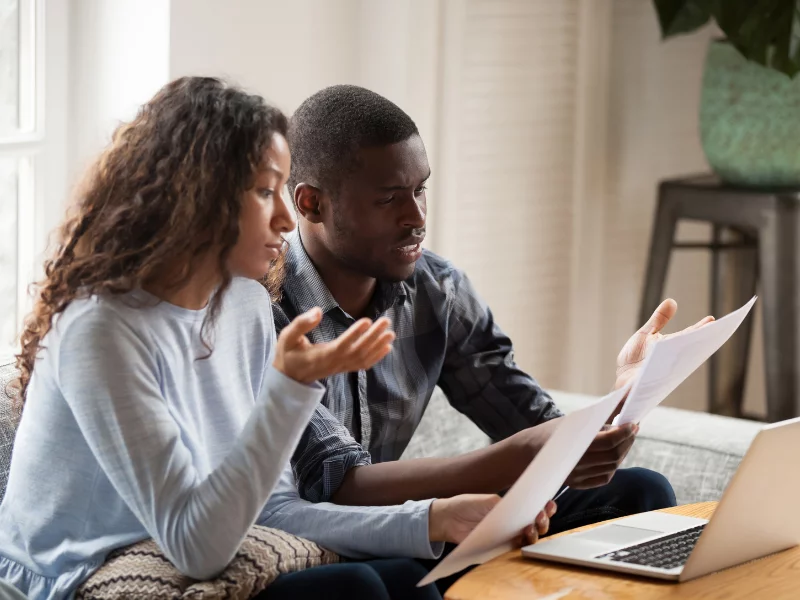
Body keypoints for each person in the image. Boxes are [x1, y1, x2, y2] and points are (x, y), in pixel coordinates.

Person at [0, 76, 467, 600]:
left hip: (188, 547)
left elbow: (273, 511)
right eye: (266, 192)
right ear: (198, 197)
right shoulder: (100, 331)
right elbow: (195, 546)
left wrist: (432, 518)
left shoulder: (243, 304)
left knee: (410, 575)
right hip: (71, 577)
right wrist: (288, 388)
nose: (288, 219)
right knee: (353, 589)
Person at [264, 84, 713, 591]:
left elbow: (535, 425)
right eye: (389, 198)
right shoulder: (266, 309)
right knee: (390, 579)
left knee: (639, 493)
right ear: (311, 204)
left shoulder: (437, 289)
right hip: (321, 544)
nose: (415, 217)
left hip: (420, 525)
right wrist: (525, 457)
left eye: (420, 190)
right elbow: (337, 488)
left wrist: (629, 391)